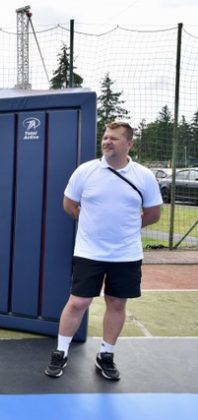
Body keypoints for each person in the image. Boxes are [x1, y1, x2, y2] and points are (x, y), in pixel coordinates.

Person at [44, 121, 162, 381]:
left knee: (117, 303)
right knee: (78, 302)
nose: (107, 141)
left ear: (129, 144)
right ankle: (61, 352)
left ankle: (105, 355)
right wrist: (91, 225)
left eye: (115, 138)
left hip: (126, 254)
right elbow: (69, 205)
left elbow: (153, 214)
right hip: (89, 252)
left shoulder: (143, 176)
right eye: (106, 137)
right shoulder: (85, 172)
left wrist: (127, 226)